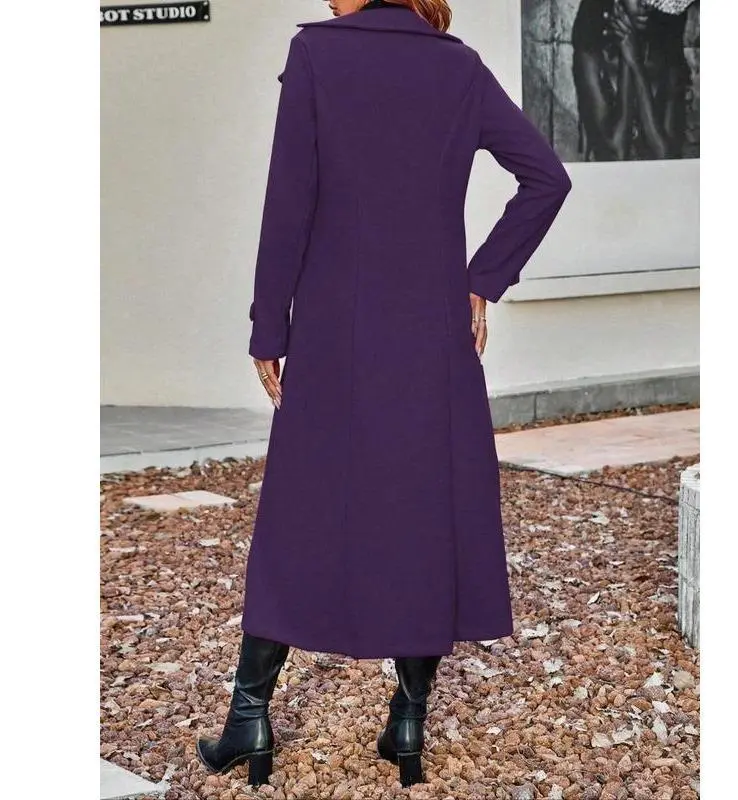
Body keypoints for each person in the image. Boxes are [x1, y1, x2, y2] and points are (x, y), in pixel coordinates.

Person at [196, 0, 571, 789]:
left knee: (300, 510)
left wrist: (269, 326)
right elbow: (547, 177)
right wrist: (482, 280)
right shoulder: (456, 65)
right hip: (431, 331)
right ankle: (407, 721)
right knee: (421, 508)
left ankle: (249, 718)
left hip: (333, 329)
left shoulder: (317, 56)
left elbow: (289, 201)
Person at [572, 0, 694, 160]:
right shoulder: (590, 58)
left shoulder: (667, 59)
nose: (646, 3)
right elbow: (616, 154)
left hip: (657, 176)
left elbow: (666, 156)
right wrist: (626, 58)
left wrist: (635, 64)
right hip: (608, 176)